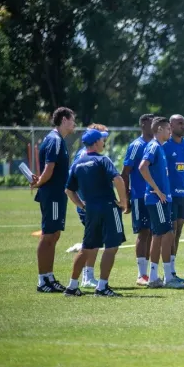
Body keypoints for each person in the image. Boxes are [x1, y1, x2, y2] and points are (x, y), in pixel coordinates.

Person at [63, 129, 128, 297]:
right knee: (112, 246)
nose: (103, 142)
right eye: (101, 140)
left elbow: (69, 190)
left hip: (90, 209)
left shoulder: (78, 163)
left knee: (87, 247)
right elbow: (118, 179)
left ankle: (72, 286)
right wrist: (123, 201)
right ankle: (102, 286)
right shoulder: (103, 160)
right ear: (95, 143)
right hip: (108, 207)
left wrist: (82, 205)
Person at [30, 107, 76, 293]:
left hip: (57, 194)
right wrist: (40, 183)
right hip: (53, 196)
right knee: (48, 235)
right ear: (64, 120)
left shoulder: (57, 140)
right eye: (73, 120)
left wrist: (40, 181)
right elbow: (49, 169)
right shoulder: (55, 140)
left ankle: (49, 277)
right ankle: (43, 280)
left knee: (54, 235)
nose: (74, 124)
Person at [139, 117, 184, 289]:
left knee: (160, 235)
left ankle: (153, 277)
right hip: (156, 199)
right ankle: (167, 277)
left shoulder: (159, 147)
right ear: (159, 129)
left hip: (162, 199)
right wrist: (157, 190)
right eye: (167, 129)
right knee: (167, 234)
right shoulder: (153, 146)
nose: (170, 132)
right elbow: (142, 167)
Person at [65, 123, 109, 289]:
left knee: (96, 240)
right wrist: (83, 204)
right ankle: (87, 276)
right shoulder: (84, 156)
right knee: (92, 240)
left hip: (96, 204)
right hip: (89, 205)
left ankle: (87, 275)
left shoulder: (94, 154)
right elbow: (74, 184)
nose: (104, 141)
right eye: (102, 137)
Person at [122, 114, 155, 286]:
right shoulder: (136, 145)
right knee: (143, 233)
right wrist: (126, 197)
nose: (155, 125)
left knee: (153, 233)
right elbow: (125, 172)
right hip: (139, 196)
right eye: (152, 122)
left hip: (155, 196)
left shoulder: (156, 144)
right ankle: (141, 274)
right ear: (143, 124)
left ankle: (150, 273)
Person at [163, 114, 184, 283]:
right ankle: (168, 270)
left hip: (183, 194)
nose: (183, 126)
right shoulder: (165, 146)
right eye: (180, 123)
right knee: (170, 232)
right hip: (169, 195)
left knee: (178, 232)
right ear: (171, 126)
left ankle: (172, 268)